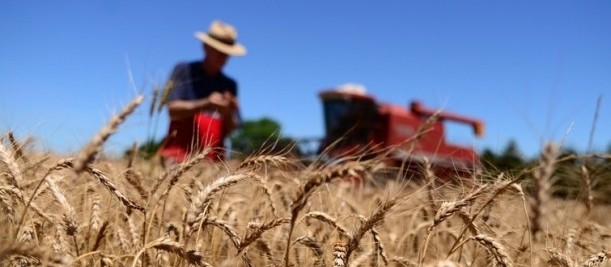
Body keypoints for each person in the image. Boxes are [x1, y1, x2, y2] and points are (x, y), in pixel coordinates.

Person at [160, 20, 246, 163]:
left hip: (213, 164)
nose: (223, 57)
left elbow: (231, 130)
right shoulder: (185, 70)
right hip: (178, 158)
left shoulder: (230, 85)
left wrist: (228, 113)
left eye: (227, 53)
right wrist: (206, 103)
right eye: (219, 51)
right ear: (205, 46)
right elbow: (172, 110)